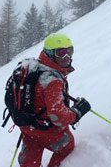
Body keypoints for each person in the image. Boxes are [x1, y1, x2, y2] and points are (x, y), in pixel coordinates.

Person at [18, 33, 91, 167]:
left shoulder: (36, 68)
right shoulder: (52, 81)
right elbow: (58, 116)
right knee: (67, 146)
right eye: (61, 53)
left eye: (69, 51)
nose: (66, 57)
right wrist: (76, 113)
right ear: (50, 53)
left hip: (28, 125)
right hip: (47, 130)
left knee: (30, 162)